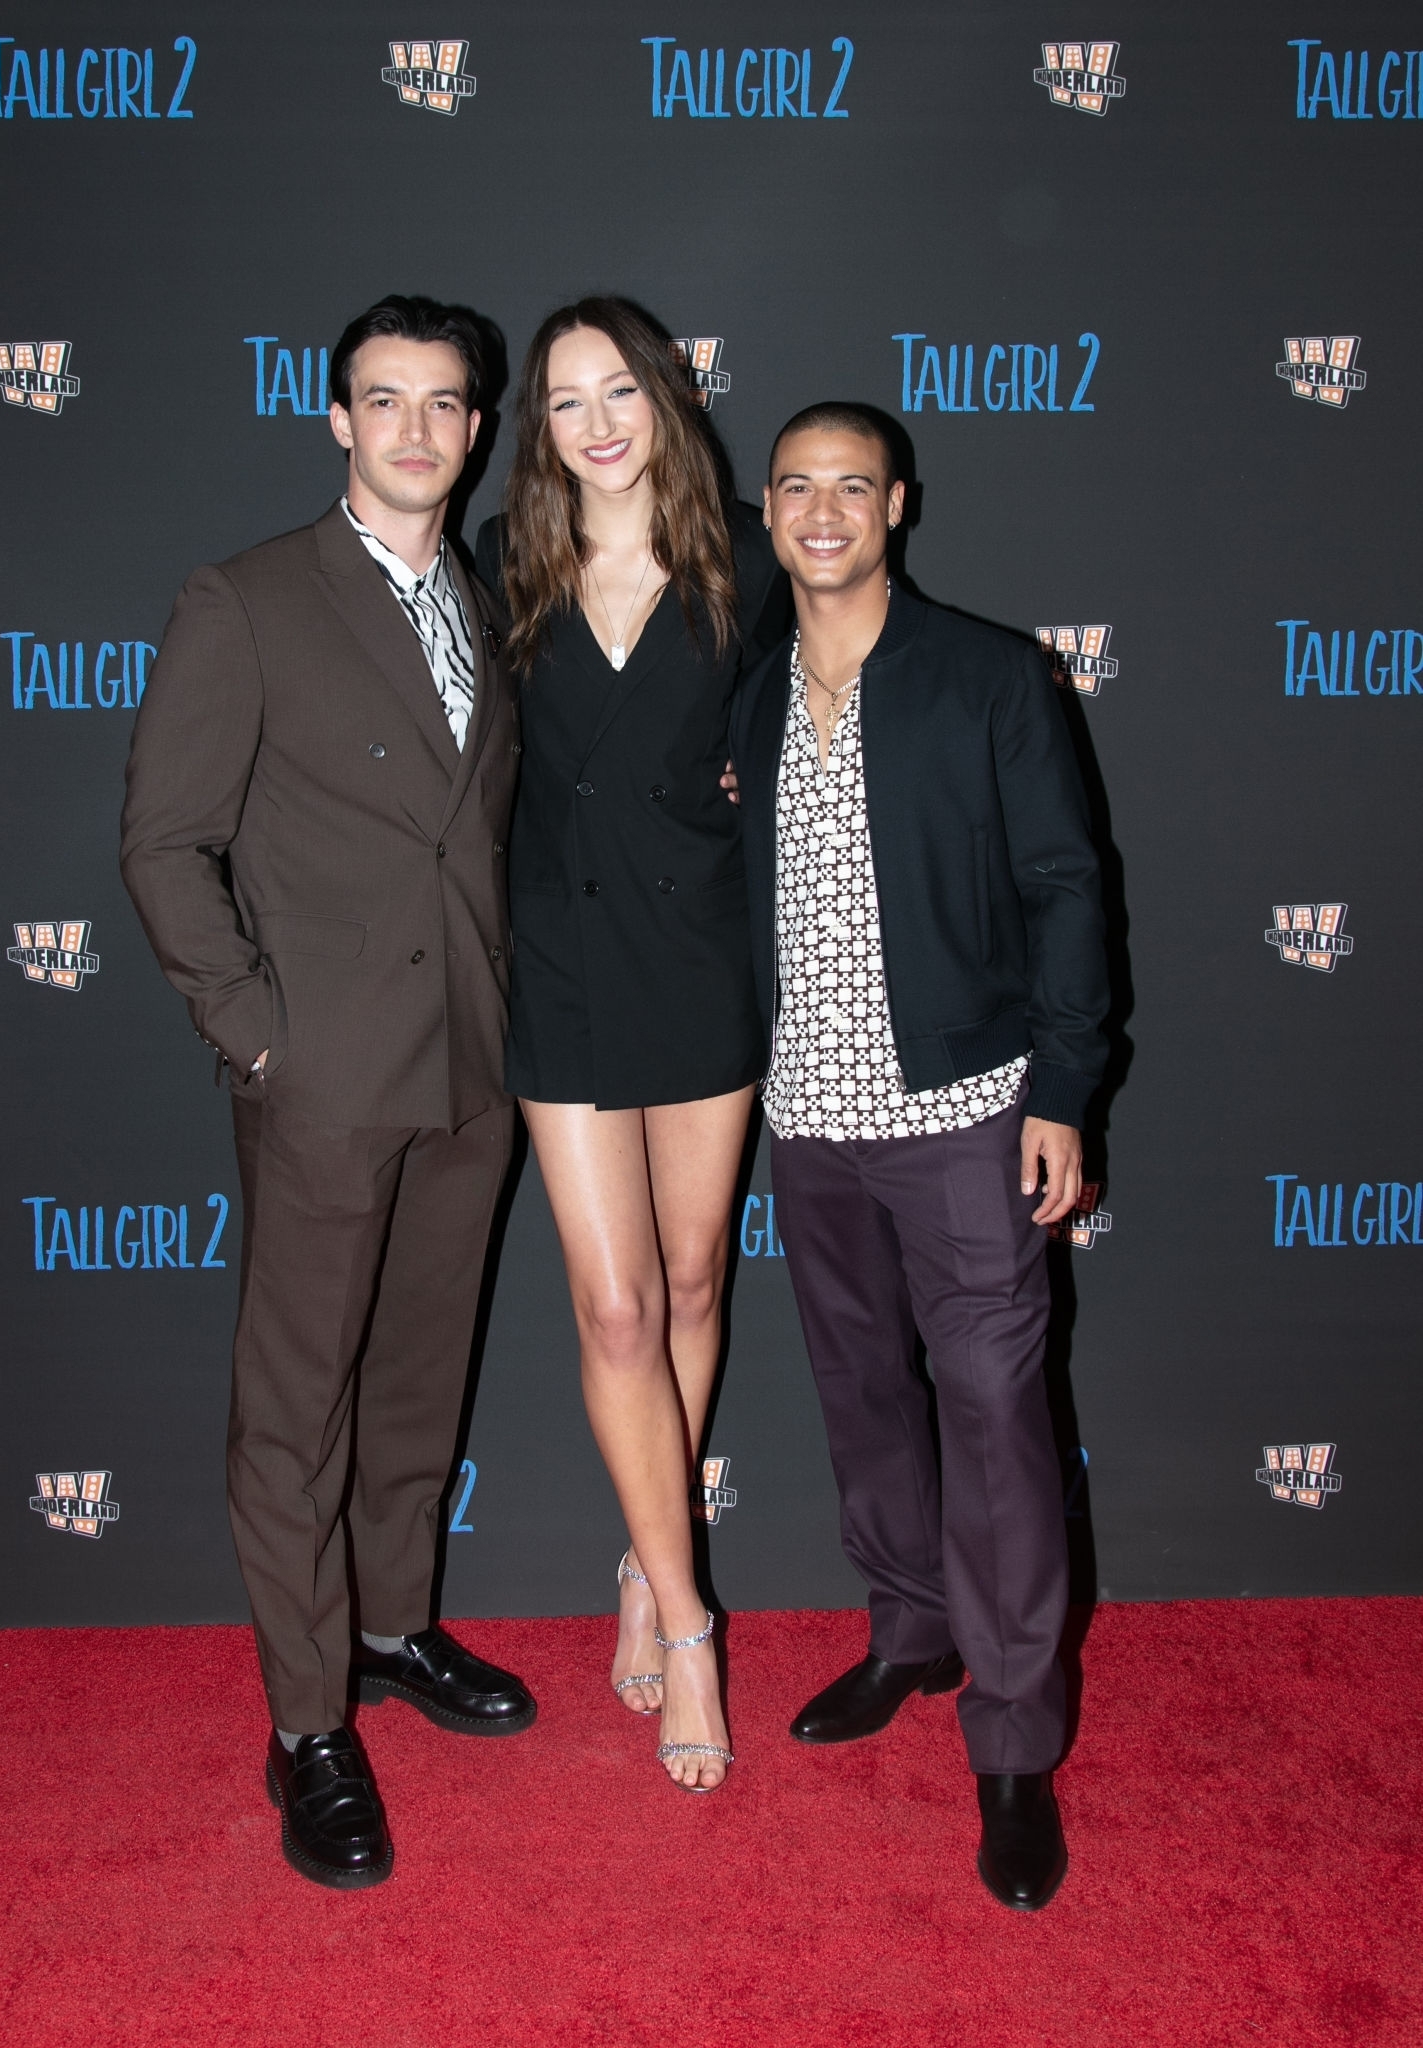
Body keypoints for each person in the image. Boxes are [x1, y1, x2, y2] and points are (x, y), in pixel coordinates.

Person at [120, 295, 536, 1892]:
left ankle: (391, 1625)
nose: (416, 429)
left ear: (476, 429)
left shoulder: (486, 603)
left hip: (473, 1070)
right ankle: (306, 1724)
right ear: (339, 419)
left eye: (445, 403)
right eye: (385, 399)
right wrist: (258, 1037)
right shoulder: (246, 599)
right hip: (325, 1080)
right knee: (297, 1409)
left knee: (420, 1378)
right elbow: (166, 842)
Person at [729, 403, 1108, 1906]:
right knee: (861, 1396)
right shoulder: (752, 694)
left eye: (853, 487)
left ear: (899, 506)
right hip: (807, 1122)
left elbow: (1067, 885)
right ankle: (911, 1631)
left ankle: (1013, 1743)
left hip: (965, 1117)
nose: (823, 511)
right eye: (797, 487)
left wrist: (1064, 1090)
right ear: (769, 510)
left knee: (997, 1420)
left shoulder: (990, 675)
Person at [476, 298, 790, 1792]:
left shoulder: (747, 557)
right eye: (565, 400)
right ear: (537, 428)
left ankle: (638, 1557)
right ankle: (689, 1621)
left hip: (701, 955)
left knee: (691, 1281)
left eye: (620, 390)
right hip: (560, 960)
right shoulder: (504, 559)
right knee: (615, 1311)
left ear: (668, 396)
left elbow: (817, 720)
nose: (597, 422)